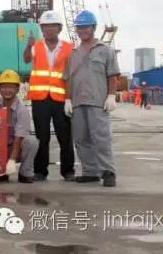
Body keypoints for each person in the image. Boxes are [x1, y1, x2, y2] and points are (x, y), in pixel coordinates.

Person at [63, 10, 120, 187]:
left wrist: (111, 95)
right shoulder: (73, 54)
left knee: (101, 137)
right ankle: (90, 171)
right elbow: (67, 78)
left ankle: (108, 171)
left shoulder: (106, 51)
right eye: (79, 28)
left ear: (93, 28)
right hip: (78, 102)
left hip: (97, 102)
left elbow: (112, 75)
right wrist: (67, 99)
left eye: (85, 27)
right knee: (81, 138)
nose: (82, 31)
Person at [23, 10, 75, 182]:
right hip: (40, 98)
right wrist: (28, 46)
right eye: (46, 26)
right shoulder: (36, 46)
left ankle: (68, 171)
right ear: (41, 29)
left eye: (53, 26)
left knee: (64, 136)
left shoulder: (69, 47)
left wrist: (70, 98)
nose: (49, 29)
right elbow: (26, 59)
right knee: (41, 136)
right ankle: (40, 171)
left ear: (59, 28)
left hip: (61, 99)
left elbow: (72, 74)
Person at [0, 69, 40, 184]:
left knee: (31, 142)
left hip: (16, 148)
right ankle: (1, 171)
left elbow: (19, 137)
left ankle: (25, 173)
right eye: (4, 87)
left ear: (17, 89)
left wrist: (12, 160)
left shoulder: (22, 110)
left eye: (11, 87)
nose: (7, 90)